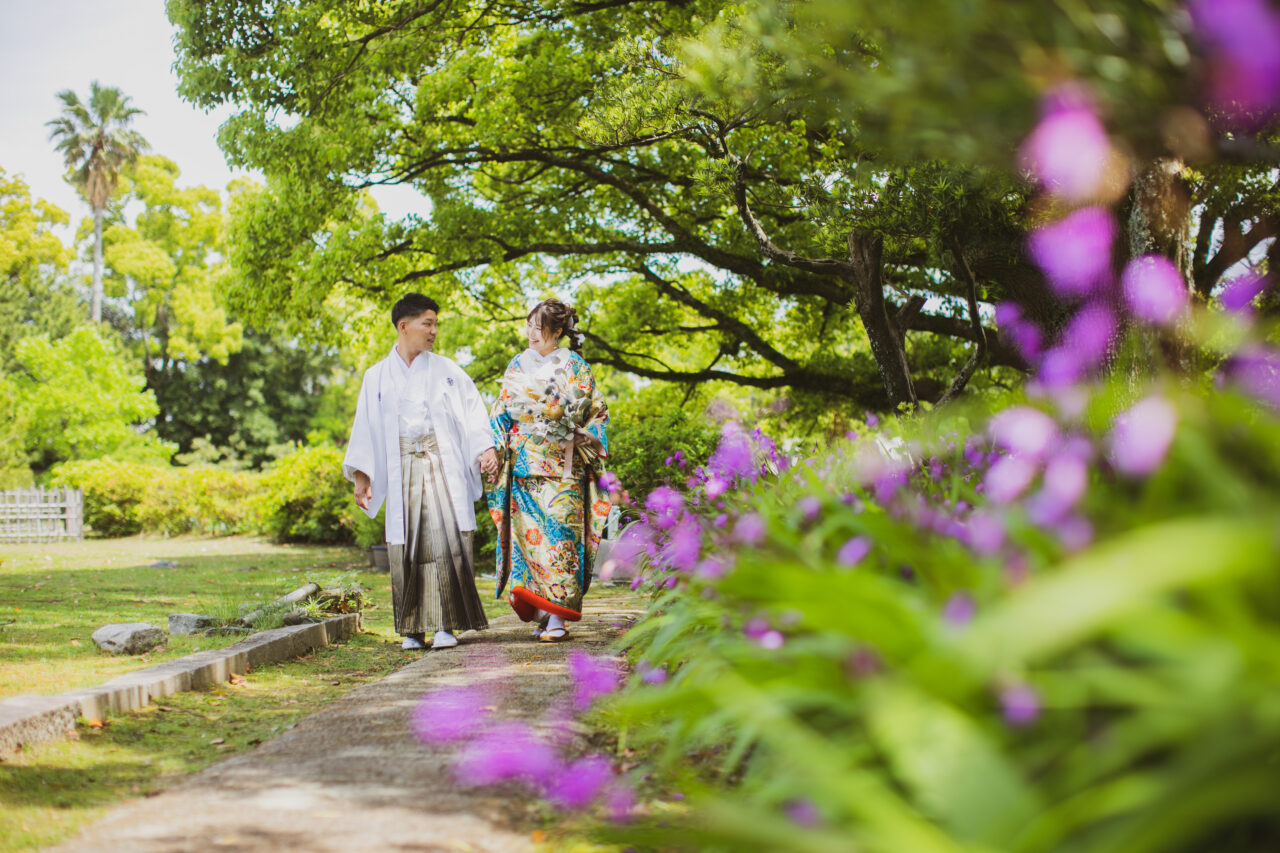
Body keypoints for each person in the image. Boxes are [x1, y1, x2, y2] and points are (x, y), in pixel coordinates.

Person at [343, 293, 500, 650]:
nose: (433, 332)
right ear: (404, 326)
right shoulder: (376, 376)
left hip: (441, 463)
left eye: (435, 324)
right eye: (427, 323)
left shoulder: (446, 370)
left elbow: (473, 410)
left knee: (445, 541)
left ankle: (446, 625)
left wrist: (484, 447)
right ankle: (413, 628)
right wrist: (362, 475)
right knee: (407, 545)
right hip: (402, 469)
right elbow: (365, 427)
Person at [484, 299, 611, 641]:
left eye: (539, 327)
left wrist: (583, 430)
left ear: (557, 332)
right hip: (524, 465)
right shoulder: (516, 364)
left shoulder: (576, 366)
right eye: (528, 325)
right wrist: (494, 447)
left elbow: (597, 411)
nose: (531, 333)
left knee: (561, 541)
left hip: (565, 469)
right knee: (530, 543)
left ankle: (558, 617)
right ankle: (540, 608)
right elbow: (500, 410)